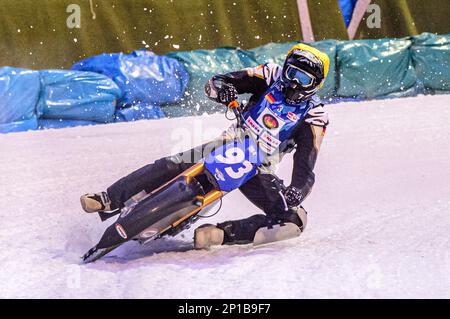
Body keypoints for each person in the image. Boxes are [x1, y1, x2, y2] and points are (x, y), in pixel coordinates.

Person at [80, 43, 330, 249]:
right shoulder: (270, 75)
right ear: (284, 69)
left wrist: (297, 190)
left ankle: (221, 235)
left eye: (303, 79)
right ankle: (109, 198)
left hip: (261, 166)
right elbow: (222, 81)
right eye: (292, 73)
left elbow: (306, 165)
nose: (294, 83)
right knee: (175, 162)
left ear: (316, 84)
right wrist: (224, 89)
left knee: (295, 221)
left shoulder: (314, 116)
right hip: (233, 140)